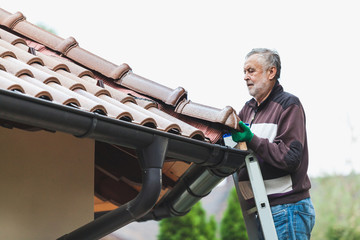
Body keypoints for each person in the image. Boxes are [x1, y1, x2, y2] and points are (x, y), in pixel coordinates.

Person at [231, 48, 315, 239]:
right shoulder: (247, 110)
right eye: (244, 72)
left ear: (271, 72)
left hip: (287, 209)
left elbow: (290, 158)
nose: (245, 77)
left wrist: (251, 139)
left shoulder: (289, 105)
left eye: (251, 70)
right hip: (260, 210)